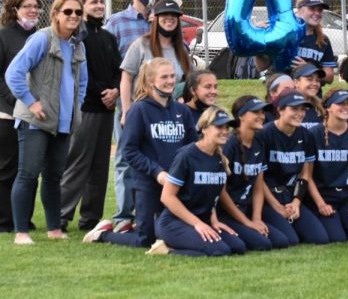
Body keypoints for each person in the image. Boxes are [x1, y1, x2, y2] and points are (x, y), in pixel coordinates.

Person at [83, 58, 196, 249]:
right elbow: (129, 151)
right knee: (146, 241)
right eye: (164, 77)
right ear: (151, 81)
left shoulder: (182, 111)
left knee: (173, 235)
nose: (170, 81)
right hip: (149, 184)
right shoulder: (139, 110)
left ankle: (137, 225)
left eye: (172, 76)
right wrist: (157, 172)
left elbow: (192, 145)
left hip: (176, 184)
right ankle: (103, 234)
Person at [6, 0, 87, 245]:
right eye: (68, 12)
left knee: (54, 177)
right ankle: (21, 233)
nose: (73, 16)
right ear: (55, 14)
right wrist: (32, 102)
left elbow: (82, 82)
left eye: (78, 12)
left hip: (63, 123)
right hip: (36, 121)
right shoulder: (41, 39)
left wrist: (77, 109)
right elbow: (13, 73)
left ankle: (54, 229)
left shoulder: (78, 45)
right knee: (27, 175)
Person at [60, 0, 121, 233]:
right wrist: (101, 93)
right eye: (93, 2)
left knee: (99, 168)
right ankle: (61, 216)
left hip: (107, 110)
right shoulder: (77, 37)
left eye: (101, 2)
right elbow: (79, 75)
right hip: (86, 109)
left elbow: (120, 70)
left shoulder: (108, 38)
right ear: (83, 6)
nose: (98, 5)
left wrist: (115, 91)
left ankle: (91, 219)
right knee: (78, 164)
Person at [147, 107, 247, 256]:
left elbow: (211, 195)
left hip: (201, 220)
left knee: (238, 247)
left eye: (227, 127)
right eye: (219, 126)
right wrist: (198, 224)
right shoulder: (186, 155)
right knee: (219, 250)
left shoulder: (219, 158)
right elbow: (167, 197)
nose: (225, 131)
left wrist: (214, 221)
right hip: (175, 222)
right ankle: (167, 250)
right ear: (204, 129)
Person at [105, 0, 159, 232]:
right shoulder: (116, 22)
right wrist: (118, 95)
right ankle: (123, 216)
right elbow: (108, 63)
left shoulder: (162, 21)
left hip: (158, 103)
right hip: (128, 102)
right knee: (126, 158)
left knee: (154, 156)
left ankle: (147, 213)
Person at [219, 95, 292, 251]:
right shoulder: (230, 144)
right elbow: (221, 191)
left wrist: (257, 218)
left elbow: (258, 187)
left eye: (262, 112)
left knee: (283, 240)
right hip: (227, 210)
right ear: (242, 116)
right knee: (261, 244)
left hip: (247, 206)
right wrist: (247, 222)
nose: (261, 116)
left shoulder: (259, 141)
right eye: (255, 112)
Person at [257, 90, 329, 245]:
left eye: (303, 109)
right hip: (268, 197)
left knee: (320, 238)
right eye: (294, 109)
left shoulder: (305, 135)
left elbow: (305, 174)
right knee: (289, 240)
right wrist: (276, 206)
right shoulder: (264, 134)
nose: (300, 113)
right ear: (280, 110)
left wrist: (296, 202)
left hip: (291, 195)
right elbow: (258, 177)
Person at [305, 89, 348, 242]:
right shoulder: (313, 134)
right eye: (340, 103)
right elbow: (307, 176)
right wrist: (321, 204)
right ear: (328, 107)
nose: (346, 107)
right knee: (337, 238)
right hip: (324, 196)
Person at [0, 0, 42, 233]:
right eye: (28, 6)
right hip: (7, 113)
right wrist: (14, 101)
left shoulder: (39, 36)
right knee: (7, 169)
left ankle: (23, 219)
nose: (33, 10)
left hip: (33, 114)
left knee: (28, 169)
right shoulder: (4, 36)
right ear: (14, 9)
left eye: (36, 6)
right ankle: (5, 221)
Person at [120, 0, 192, 127]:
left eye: (174, 15)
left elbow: (190, 81)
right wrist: (126, 112)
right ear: (156, 18)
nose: (170, 18)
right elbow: (126, 78)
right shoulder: (141, 44)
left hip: (171, 116)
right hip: (143, 115)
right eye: (165, 14)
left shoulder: (182, 50)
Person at [292, 0, 337, 84]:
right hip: (287, 92)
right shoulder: (286, 34)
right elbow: (261, 67)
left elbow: (330, 77)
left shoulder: (323, 40)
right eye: (312, 8)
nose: (317, 13)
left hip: (312, 94)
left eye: (320, 10)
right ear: (299, 9)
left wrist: (308, 69)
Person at [292, 64, 326, 129]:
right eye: (309, 79)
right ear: (296, 82)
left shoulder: (322, 108)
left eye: (317, 80)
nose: (314, 84)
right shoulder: (286, 107)